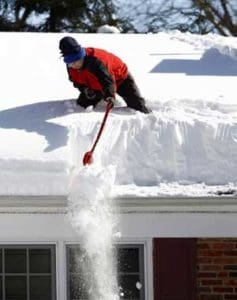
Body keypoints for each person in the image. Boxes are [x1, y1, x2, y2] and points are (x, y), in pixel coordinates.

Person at [59, 36, 151, 113]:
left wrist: (110, 95)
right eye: (71, 63)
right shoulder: (71, 67)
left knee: (137, 107)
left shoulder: (95, 60)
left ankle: (150, 119)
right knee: (82, 105)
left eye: (77, 61)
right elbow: (75, 81)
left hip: (120, 79)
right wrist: (85, 89)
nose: (74, 65)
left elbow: (107, 79)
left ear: (82, 56)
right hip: (95, 86)